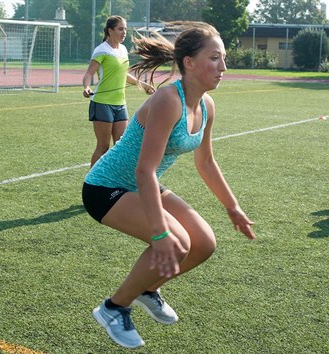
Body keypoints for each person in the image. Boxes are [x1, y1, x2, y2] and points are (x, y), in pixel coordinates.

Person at [81, 22, 256, 349]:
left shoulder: (206, 106)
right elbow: (145, 171)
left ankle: (147, 289)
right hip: (106, 187)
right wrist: (160, 234)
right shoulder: (167, 100)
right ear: (189, 63)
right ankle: (113, 308)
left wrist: (233, 208)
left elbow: (205, 162)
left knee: (203, 243)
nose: (224, 67)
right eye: (215, 58)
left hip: (141, 186)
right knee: (175, 243)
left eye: (224, 58)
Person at [82, 15, 155, 167]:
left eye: (125, 29)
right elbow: (89, 73)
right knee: (103, 147)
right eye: (120, 29)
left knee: (121, 147)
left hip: (120, 104)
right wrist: (86, 87)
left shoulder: (123, 50)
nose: (124, 32)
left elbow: (124, 74)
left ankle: (114, 182)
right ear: (110, 30)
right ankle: (92, 183)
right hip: (102, 103)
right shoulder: (101, 50)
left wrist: (142, 85)